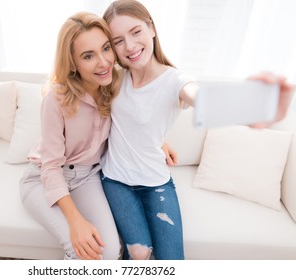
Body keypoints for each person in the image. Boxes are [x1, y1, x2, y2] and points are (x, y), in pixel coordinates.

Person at [100, 0, 294, 260]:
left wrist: (254, 106)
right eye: (118, 40)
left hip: (156, 182)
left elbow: (202, 100)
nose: (130, 46)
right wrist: (160, 141)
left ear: (152, 29)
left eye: (136, 32)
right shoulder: (114, 77)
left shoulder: (175, 81)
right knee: (138, 253)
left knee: (173, 263)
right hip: (115, 180)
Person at [19, 11, 121, 260]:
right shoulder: (56, 98)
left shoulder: (116, 84)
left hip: (88, 176)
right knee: (81, 252)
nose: (103, 62)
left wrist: (158, 142)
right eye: (88, 56)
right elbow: (51, 165)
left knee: (108, 253)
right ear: (73, 63)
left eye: (106, 48)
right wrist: (75, 221)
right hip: (43, 179)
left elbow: (139, 118)